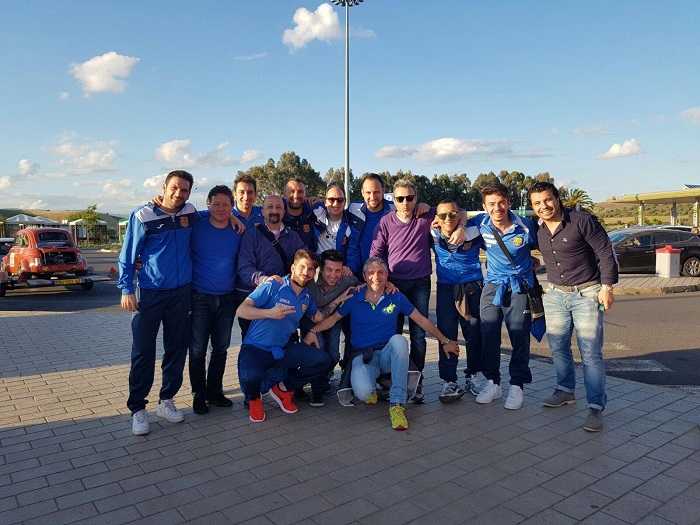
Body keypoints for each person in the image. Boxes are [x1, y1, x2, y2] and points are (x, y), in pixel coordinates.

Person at [305, 257, 459, 430]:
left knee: (399, 341)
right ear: (364, 276)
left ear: (387, 275)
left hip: (386, 355)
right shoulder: (354, 297)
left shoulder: (396, 296)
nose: (376, 277)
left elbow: (421, 320)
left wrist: (445, 341)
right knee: (363, 393)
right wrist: (313, 331)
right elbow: (333, 319)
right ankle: (373, 387)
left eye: (380, 273)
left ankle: (397, 404)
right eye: (371, 273)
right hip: (363, 356)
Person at [529, 182, 618, 432]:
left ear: (557, 199)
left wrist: (607, 287)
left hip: (587, 293)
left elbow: (606, 253)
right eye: (537, 203)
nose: (544, 206)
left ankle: (595, 407)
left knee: (590, 353)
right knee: (558, 347)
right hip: (555, 295)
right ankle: (565, 390)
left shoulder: (582, 221)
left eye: (547, 199)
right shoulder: (537, 229)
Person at [370, 179, 466, 403]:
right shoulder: (386, 221)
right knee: (392, 334)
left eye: (410, 198)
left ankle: (417, 381)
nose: (405, 202)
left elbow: (459, 211)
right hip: (394, 285)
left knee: (419, 336)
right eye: (400, 198)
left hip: (420, 284)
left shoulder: (426, 215)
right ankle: (390, 380)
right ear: (394, 200)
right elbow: (375, 254)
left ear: (416, 198)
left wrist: (461, 226)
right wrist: (383, 280)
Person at [119, 170, 197, 436]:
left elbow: (215, 215)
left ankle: (167, 400)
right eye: (174, 188)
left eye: (184, 190)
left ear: (189, 193)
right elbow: (128, 256)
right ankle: (138, 409)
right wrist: (127, 289)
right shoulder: (143, 215)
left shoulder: (190, 213)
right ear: (164, 187)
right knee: (143, 352)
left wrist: (231, 216)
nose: (178, 194)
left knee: (176, 349)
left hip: (181, 294)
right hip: (149, 294)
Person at [236, 249, 332, 422]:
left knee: (322, 360)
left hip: (281, 349)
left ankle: (283, 389)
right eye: (302, 267)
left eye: (311, 269)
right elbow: (241, 310)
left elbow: (317, 317)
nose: (306, 272)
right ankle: (254, 399)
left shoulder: (307, 296)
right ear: (293, 267)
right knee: (250, 377)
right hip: (256, 347)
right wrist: (269, 313)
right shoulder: (273, 285)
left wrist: (342, 300)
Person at [473, 183, 538, 410]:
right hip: (492, 285)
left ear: (509, 203)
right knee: (488, 334)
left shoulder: (526, 226)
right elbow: (453, 219)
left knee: (519, 335)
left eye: (501, 202)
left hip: (519, 286)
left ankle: (517, 384)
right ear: (484, 206)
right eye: (491, 204)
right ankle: (493, 382)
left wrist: (536, 261)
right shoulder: (480, 223)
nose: (497, 208)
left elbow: (548, 246)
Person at [188, 185, 241, 415]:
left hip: (228, 298)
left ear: (232, 207)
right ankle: (198, 394)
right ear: (208, 204)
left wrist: (236, 218)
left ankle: (215, 391)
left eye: (226, 205)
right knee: (197, 349)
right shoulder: (196, 226)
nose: (221, 208)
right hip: (200, 297)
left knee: (220, 348)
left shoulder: (238, 230)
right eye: (216, 204)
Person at [431, 200, 485, 402]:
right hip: (445, 288)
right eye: (443, 215)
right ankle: (449, 381)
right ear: (436, 218)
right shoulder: (431, 231)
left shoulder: (474, 229)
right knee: (446, 335)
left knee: (474, 333)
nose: (448, 219)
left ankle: (473, 375)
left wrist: (462, 224)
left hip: (472, 287)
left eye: (452, 215)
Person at [236, 195, 306, 340]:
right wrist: (264, 280)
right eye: (270, 207)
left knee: (286, 340)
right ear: (262, 212)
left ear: (284, 212)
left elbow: (305, 259)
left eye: (278, 207)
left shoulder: (293, 237)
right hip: (255, 297)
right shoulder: (251, 235)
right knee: (253, 341)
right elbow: (244, 267)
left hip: (282, 298)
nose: (274, 211)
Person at [304, 249, 359, 402]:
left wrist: (387, 284)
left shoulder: (347, 280)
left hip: (333, 320)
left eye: (337, 270)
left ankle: (322, 377)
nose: (333, 275)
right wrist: (340, 299)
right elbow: (315, 317)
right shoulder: (309, 282)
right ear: (321, 269)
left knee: (333, 355)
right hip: (310, 319)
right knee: (319, 350)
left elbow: (366, 287)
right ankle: (317, 389)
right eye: (329, 270)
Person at [346, 173, 396, 276]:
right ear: (362, 192)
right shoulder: (353, 209)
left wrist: (423, 207)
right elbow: (334, 211)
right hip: (360, 275)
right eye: (368, 192)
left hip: (388, 276)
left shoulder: (395, 209)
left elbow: (413, 210)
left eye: (376, 192)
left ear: (383, 190)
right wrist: (321, 201)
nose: (372, 197)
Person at [312, 185, 360, 274]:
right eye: (331, 199)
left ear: (345, 202)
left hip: (338, 270)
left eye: (340, 200)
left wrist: (349, 268)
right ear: (325, 201)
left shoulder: (350, 225)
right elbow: (295, 202)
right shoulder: (316, 213)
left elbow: (354, 254)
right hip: (318, 269)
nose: (335, 203)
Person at [284, 178, 317, 251]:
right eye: (292, 191)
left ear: (305, 195)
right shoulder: (278, 218)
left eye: (300, 192)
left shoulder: (314, 215)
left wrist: (322, 200)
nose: (296, 196)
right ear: (284, 195)